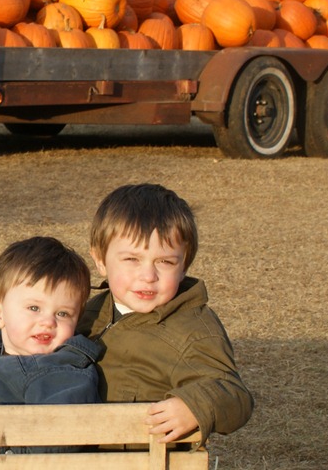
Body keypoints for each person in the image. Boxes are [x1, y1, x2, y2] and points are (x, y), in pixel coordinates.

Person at [78, 183, 253, 447]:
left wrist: (195, 405)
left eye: (165, 262)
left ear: (184, 266)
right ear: (100, 260)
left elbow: (235, 396)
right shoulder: (87, 313)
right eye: (132, 260)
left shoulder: (192, 329)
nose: (148, 276)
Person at [0, 235, 103, 453]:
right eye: (34, 308)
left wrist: (9, 454)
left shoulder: (62, 370)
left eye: (63, 313)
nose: (48, 322)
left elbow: (64, 431)